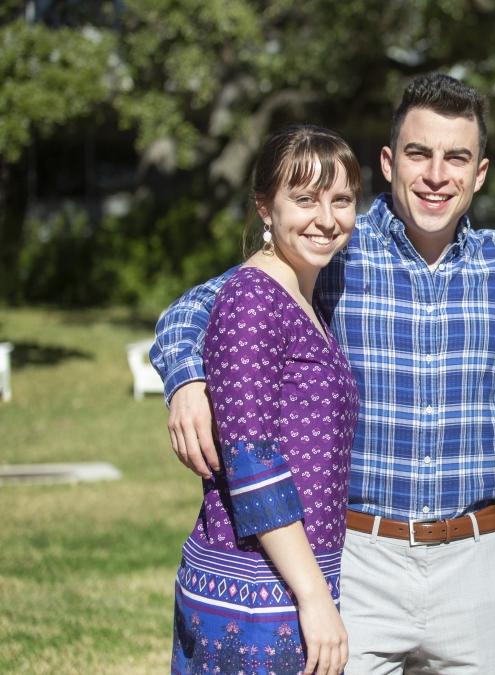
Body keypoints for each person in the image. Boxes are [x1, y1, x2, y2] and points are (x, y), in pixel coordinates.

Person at [153, 74, 495, 674]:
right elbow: (200, 306)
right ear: (387, 162)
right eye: (418, 153)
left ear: (479, 173)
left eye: (456, 157)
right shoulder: (335, 246)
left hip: (474, 563)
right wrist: (186, 379)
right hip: (359, 558)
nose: (436, 175)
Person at [171, 124, 360, 675]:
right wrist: (314, 598)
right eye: (304, 200)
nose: (326, 219)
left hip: (289, 581)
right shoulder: (253, 299)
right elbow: (252, 461)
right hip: (256, 594)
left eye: (341, 200)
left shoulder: (303, 295)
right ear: (264, 208)